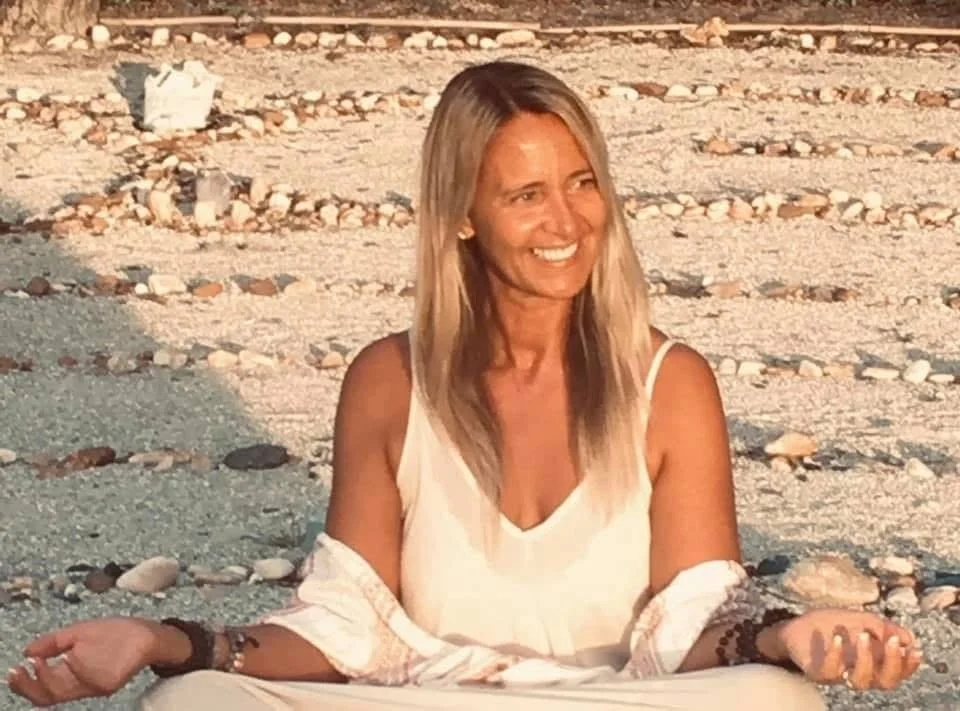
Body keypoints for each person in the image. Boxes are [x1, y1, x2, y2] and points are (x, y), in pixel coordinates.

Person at [7, 60, 921, 710]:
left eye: (582, 183)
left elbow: (698, 627)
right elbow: (344, 627)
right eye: (526, 196)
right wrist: (163, 640)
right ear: (462, 218)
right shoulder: (389, 379)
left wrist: (787, 635)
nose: (567, 221)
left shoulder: (668, 381)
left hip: (611, 701)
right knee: (192, 702)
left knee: (772, 698)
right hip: (429, 698)